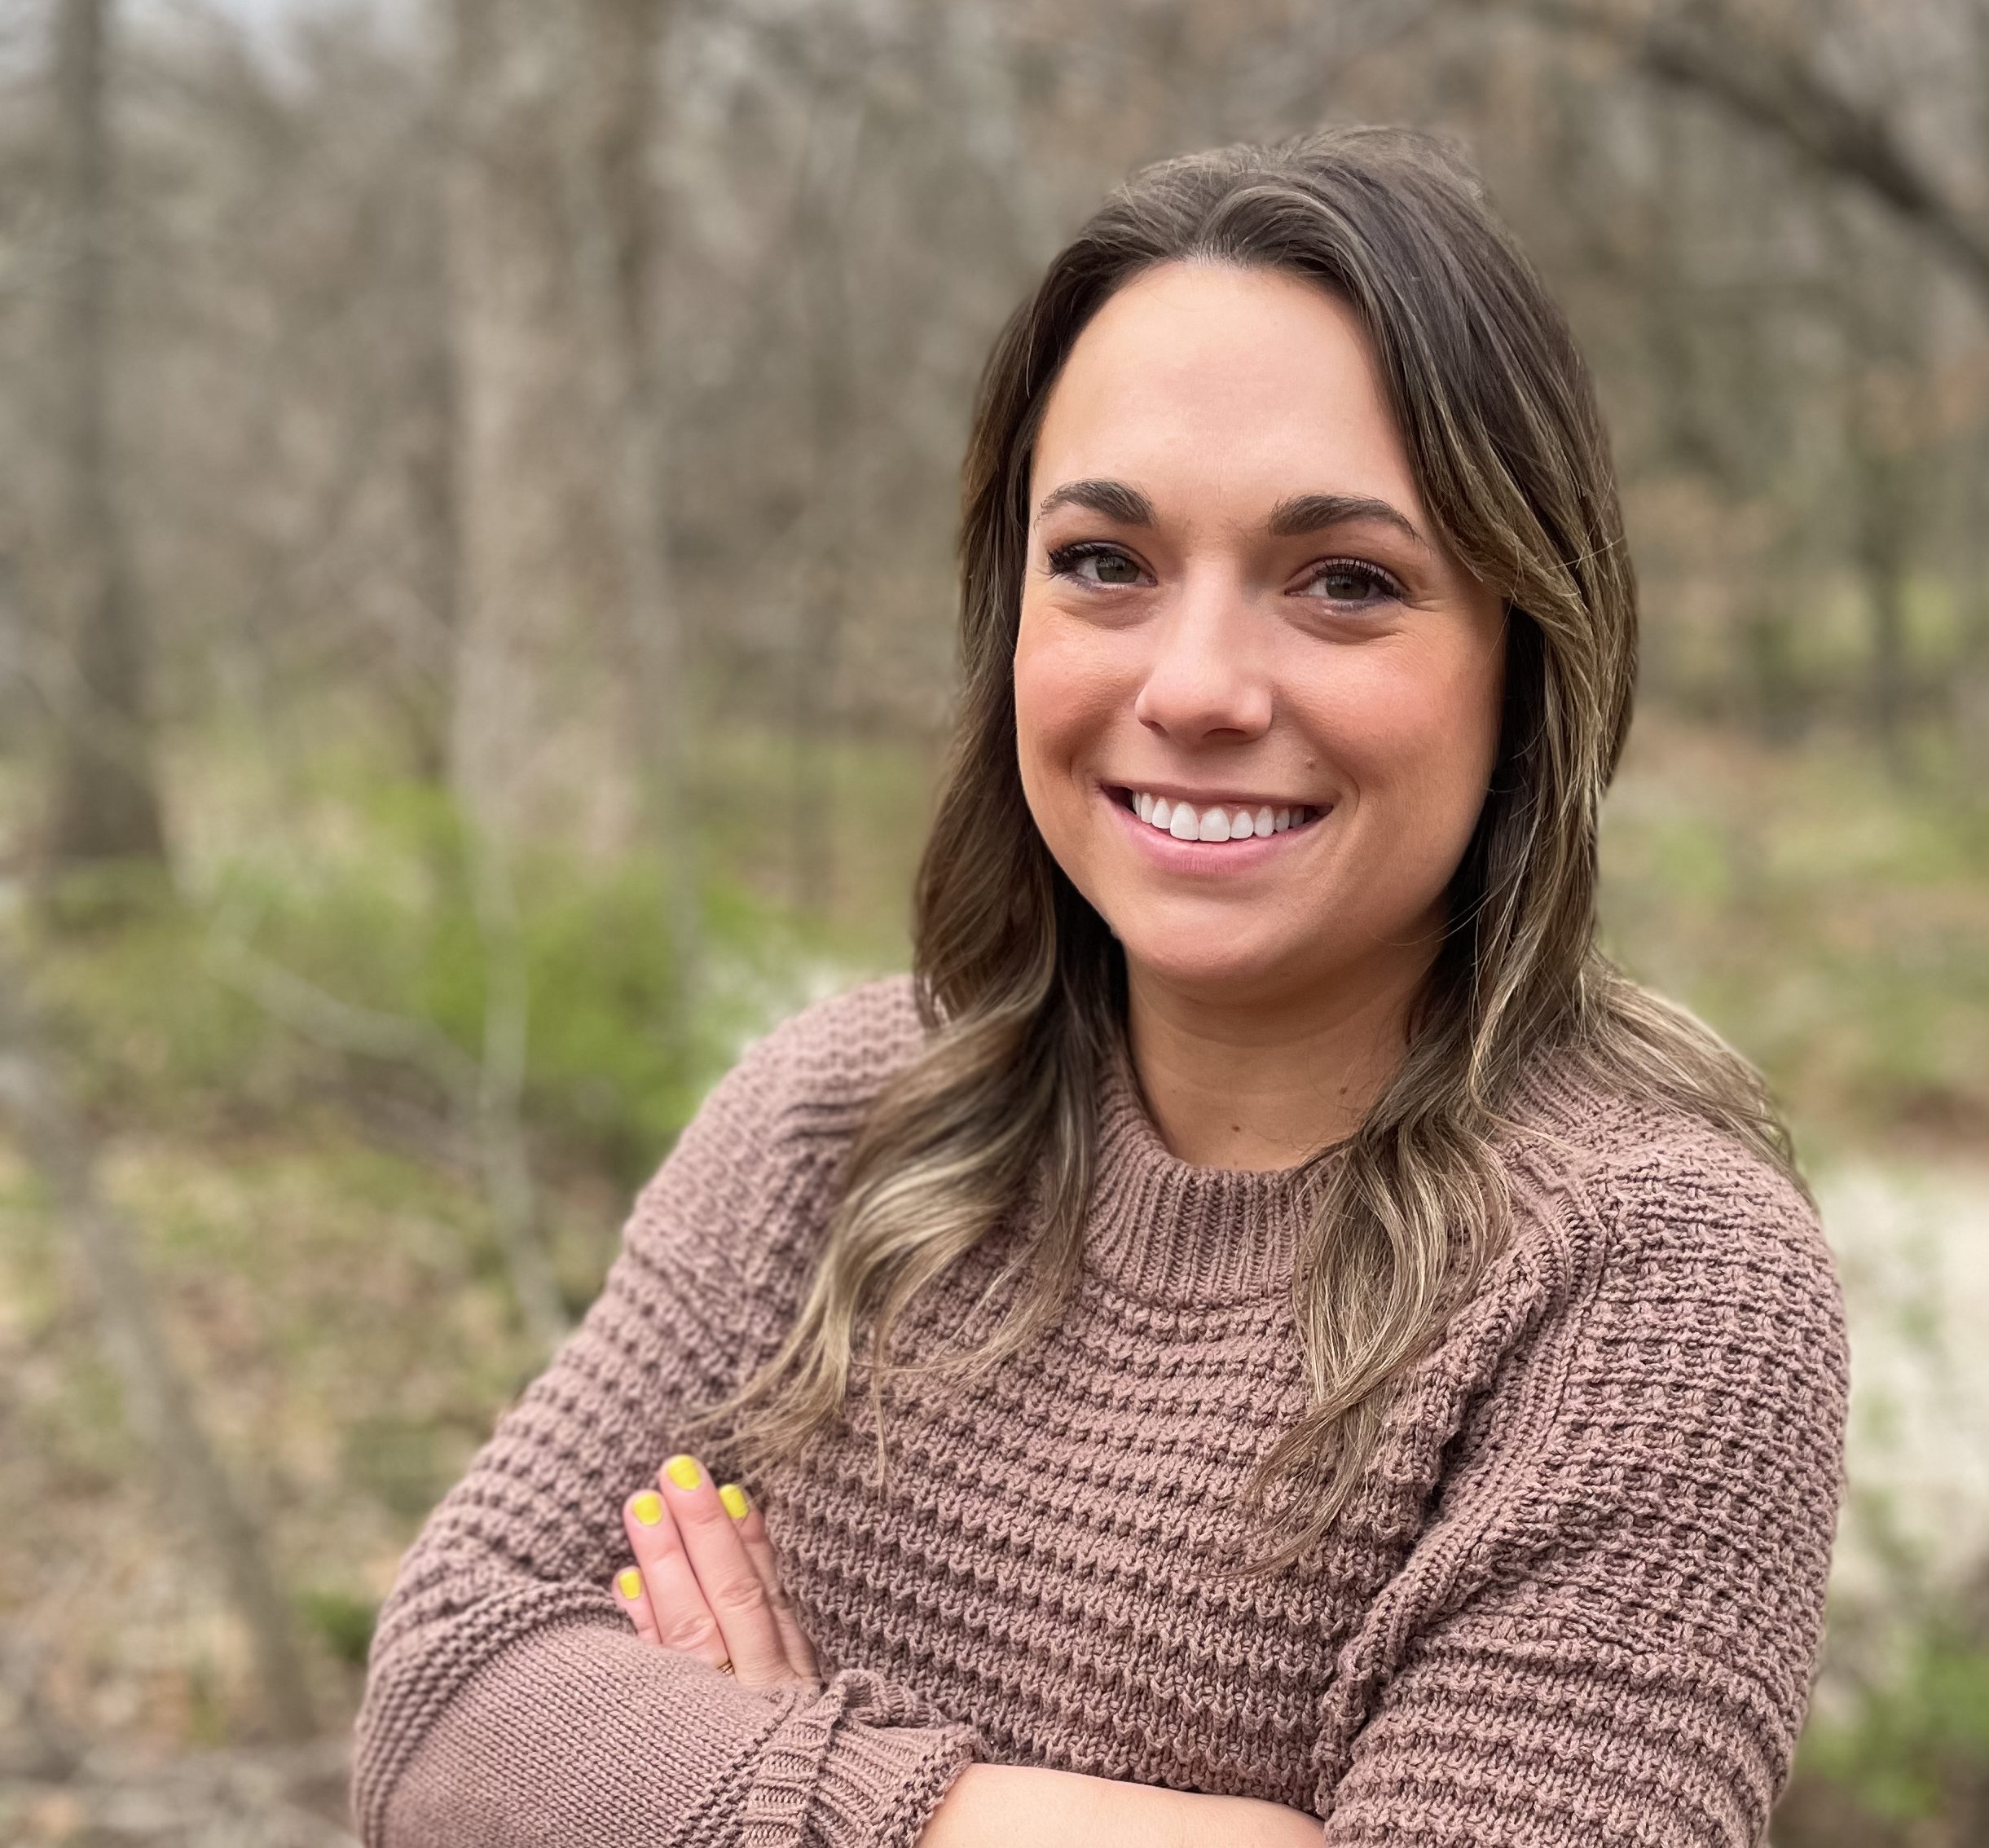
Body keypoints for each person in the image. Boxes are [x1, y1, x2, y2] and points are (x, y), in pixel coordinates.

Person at [350, 127, 1849, 1848]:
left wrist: (715, 1785)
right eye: (1105, 564)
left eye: (1346, 583)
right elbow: (441, 1710)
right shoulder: (836, 1123)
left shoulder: (1650, 1285)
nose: (1197, 687)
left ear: (1528, 655)